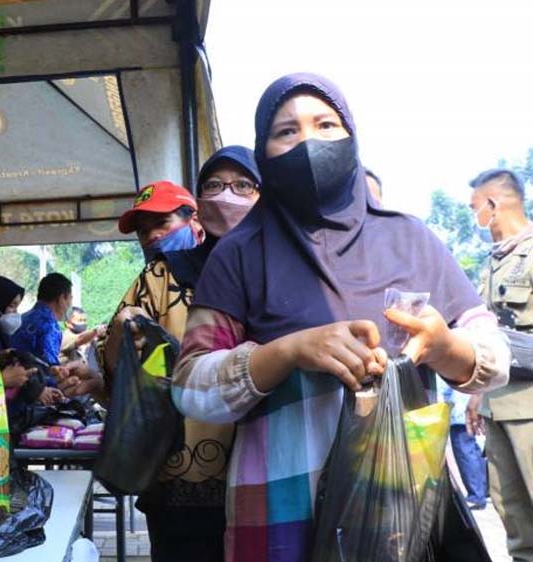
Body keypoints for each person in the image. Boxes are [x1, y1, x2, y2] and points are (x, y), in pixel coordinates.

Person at [171, 73, 510, 562]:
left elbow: (494, 357)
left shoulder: (410, 239)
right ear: (263, 153)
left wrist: (444, 346)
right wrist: (287, 351)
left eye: (325, 125)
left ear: (352, 139)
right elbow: (191, 387)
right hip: (281, 511)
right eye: (286, 131)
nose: (308, 142)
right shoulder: (240, 254)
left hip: (402, 506)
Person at [83, 148, 260, 562]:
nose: (151, 237)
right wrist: (121, 335)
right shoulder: (161, 276)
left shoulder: (277, 269)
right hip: (181, 482)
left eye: (160, 224)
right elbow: (116, 368)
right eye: (214, 186)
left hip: (267, 472)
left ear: (191, 217)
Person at [465, 168, 533, 560]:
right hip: (498, 407)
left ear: (493, 205)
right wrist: (477, 395)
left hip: (529, 405)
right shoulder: (493, 264)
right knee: (515, 519)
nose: (475, 218)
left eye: (475, 208)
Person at [438, 376, 488, 509]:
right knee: (472, 449)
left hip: (459, 406)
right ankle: (481, 490)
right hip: (466, 401)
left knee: (464, 450)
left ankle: (476, 495)